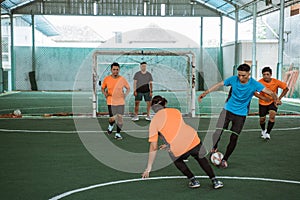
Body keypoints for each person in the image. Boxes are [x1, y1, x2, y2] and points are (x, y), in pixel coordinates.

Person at [198, 63, 278, 168]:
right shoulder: (233, 79)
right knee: (217, 131)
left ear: (249, 74)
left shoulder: (254, 84)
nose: (240, 77)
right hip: (227, 110)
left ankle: (224, 159)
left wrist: (276, 100)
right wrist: (206, 92)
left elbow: (270, 92)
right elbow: (219, 84)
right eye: (239, 75)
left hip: (240, 114)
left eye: (243, 75)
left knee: (234, 137)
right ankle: (214, 148)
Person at [142, 95, 223, 189]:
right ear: (165, 103)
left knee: (177, 159)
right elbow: (176, 129)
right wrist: (168, 144)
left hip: (179, 148)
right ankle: (215, 181)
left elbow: (153, 146)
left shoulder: (154, 122)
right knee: (201, 158)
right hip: (193, 139)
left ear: (152, 108)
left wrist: (149, 167)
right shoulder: (175, 111)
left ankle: (193, 180)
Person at [254, 66, 289, 140]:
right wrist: (262, 98)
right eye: (264, 74)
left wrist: (279, 99)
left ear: (271, 74)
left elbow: (286, 89)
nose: (266, 76)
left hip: (273, 102)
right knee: (262, 120)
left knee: (272, 116)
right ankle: (263, 130)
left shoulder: (276, 82)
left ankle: (268, 133)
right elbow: (253, 92)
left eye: (267, 74)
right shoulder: (259, 83)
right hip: (262, 103)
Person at [101, 62, 130, 140]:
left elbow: (128, 88)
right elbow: (103, 88)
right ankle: (111, 125)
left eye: (117, 70)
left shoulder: (122, 79)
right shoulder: (107, 79)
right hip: (111, 101)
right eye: (114, 69)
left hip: (120, 101)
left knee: (120, 118)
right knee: (112, 118)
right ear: (111, 70)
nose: (115, 71)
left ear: (119, 70)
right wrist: (105, 94)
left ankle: (118, 133)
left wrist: (125, 95)